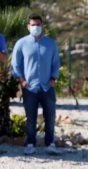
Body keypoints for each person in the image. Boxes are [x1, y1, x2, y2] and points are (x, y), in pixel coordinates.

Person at [11, 14, 61, 155]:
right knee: (30, 118)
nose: (36, 27)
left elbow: (56, 62)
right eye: (33, 25)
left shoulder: (51, 44)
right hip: (30, 87)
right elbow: (15, 64)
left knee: (50, 116)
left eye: (38, 24)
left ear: (42, 26)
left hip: (47, 86)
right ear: (28, 26)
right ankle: (30, 143)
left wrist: (53, 78)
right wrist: (22, 80)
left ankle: (50, 143)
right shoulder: (21, 43)